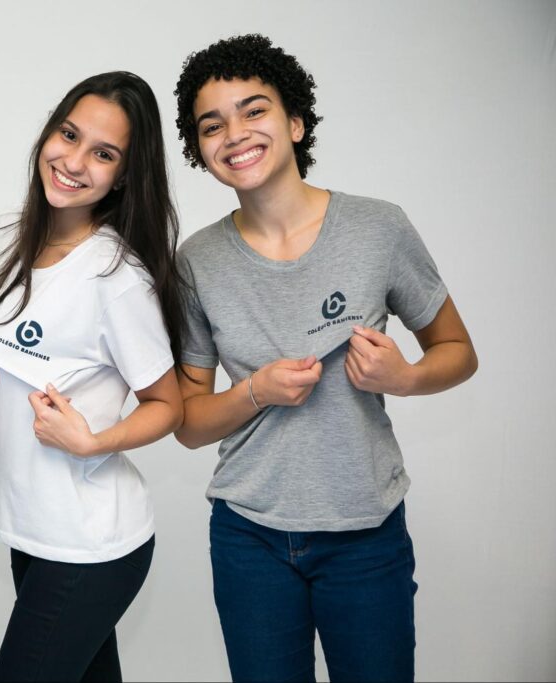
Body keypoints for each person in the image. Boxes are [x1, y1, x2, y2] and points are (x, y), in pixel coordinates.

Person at [172, 34, 478, 682]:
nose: (235, 133)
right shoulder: (197, 260)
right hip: (247, 536)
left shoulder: (378, 228)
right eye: (212, 124)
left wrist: (406, 375)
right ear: (200, 149)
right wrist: (255, 389)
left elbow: (459, 351)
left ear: (295, 121)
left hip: (365, 532)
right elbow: (189, 423)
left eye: (254, 110)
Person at [0, 71, 186, 682]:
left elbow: (168, 403)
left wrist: (94, 441)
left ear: (125, 175)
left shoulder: (116, 276)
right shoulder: (9, 238)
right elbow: (18, 350)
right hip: (31, 531)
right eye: (69, 134)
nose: (74, 161)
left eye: (103, 153)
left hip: (89, 543)